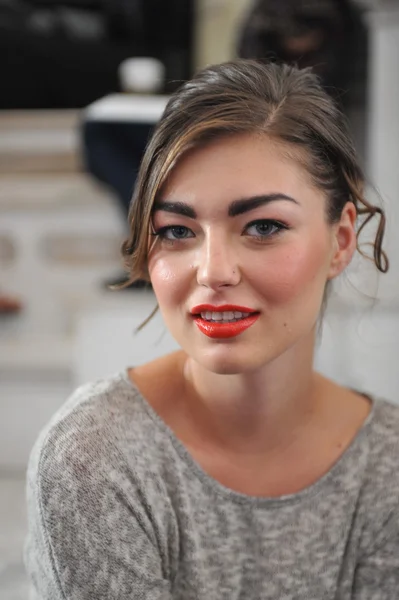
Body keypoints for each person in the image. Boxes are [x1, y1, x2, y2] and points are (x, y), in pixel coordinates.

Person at [25, 59, 398, 599]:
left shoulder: (386, 467)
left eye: (263, 226)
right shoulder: (95, 461)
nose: (213, 270)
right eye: (176, 230)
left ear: (341, 241)